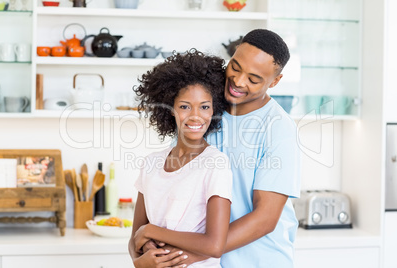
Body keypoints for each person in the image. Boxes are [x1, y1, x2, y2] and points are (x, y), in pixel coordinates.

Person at [132, 29, 301, 268]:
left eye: (254, 79)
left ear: (274, 81)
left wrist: (188, 254)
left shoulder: (279, 128)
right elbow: (174, 186)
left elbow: (265, 218)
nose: (239, 81)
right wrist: (149, 246)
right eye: (236, 67)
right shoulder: (206, 109)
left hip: (259, 260)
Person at [129, 49, 233, 267]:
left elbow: (215, 245)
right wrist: (139, 262)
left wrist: (152, 231)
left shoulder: (216, 164)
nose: (195, 116)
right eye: (185, 106)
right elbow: (135, 238)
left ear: (213, 110)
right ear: (170, 110)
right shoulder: (151, 164)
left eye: (204, 107)